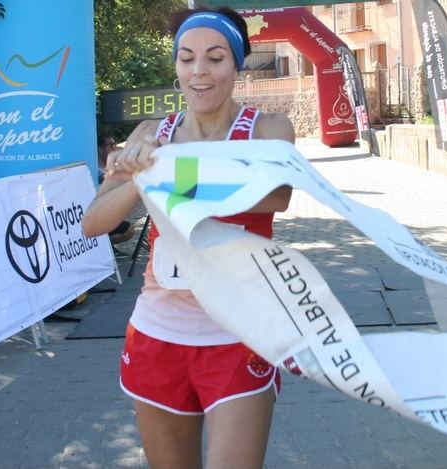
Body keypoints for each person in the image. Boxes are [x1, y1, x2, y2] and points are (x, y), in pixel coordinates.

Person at [82, 6, 295, 469]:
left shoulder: (267, 129)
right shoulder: (149, 134)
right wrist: (140, 179)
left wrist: (169, 167)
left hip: (240, 332)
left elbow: (276, 194)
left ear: (236, 64)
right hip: (157, 334)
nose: (199, 71)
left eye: (215, 58)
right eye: (186, 58)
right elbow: (93, 222)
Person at [97, 135, 135, 248]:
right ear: (100, 149)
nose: (114, 148)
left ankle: (107, 247)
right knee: (128, 229)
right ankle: (104, 247)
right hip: (97, 215)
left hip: (109, 212)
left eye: (115, 144)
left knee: (129, 228)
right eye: (110, 145)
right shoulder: (95, 167)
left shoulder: (109, 164)